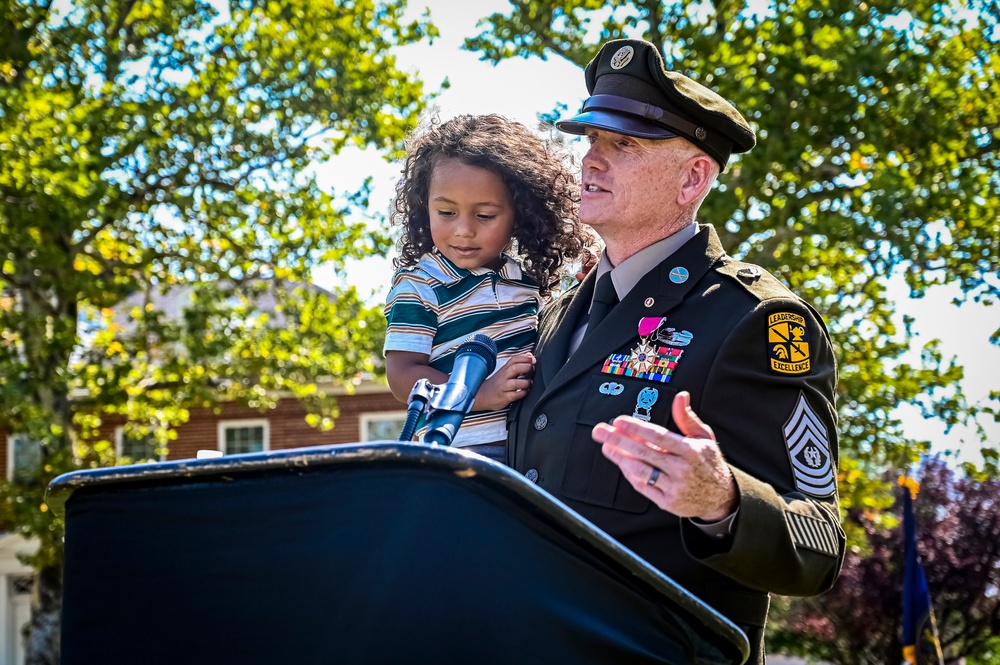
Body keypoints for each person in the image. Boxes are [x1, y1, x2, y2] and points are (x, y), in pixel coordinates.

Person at [506, 39, 846, 663]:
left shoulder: (756, 322)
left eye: (623, 146)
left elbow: (819, 543)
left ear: (693, 178)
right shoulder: (558, 311)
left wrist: (722, 502)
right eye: (590, 141)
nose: (590, 161)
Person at [384, 114, 592, 462]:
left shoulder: (526, 284)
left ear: (521, 214)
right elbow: (402, 376)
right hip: (462, 451)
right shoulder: (421, 285)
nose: (463, 230)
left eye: (485, 215)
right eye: (446, 212)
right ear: (425, 207)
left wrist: (584, 291)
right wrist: (479, 393)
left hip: (534, 448)